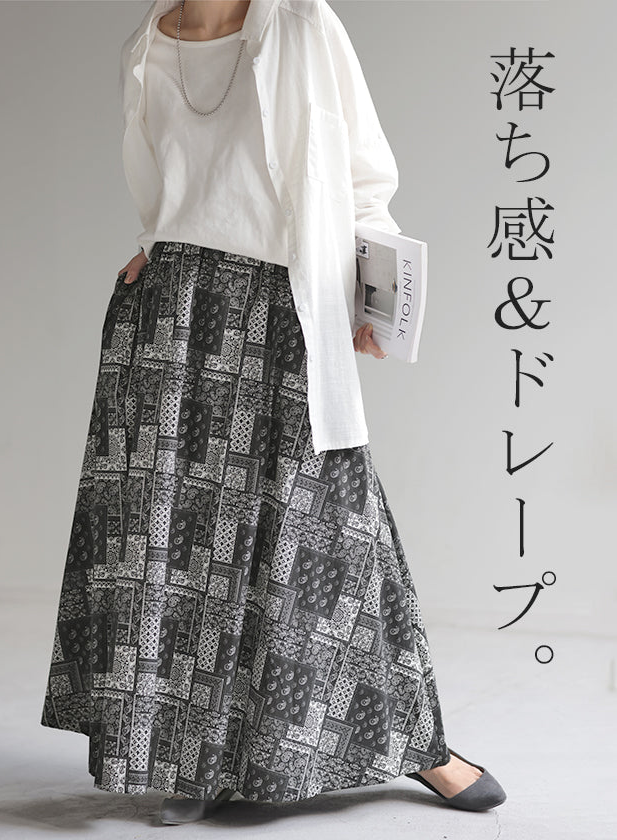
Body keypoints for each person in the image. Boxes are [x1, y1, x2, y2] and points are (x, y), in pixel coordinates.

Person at [40, 0, 507, 825]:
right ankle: (189, 758)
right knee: (178, 544)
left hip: (286, 304)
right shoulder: (145, 46)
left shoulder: (301, 26)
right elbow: (171, 192)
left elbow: (362, 173)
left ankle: (422, 746)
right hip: (174, 315)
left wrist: (371, 290)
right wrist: (155, 245)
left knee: (333, 526)